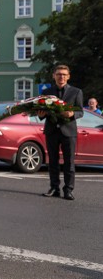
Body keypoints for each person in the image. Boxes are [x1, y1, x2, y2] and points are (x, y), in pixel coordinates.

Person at [40, 65, 83, 201]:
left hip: (68, 131)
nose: (61, 77)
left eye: (64, 74)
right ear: (54, 76)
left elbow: (80, 111)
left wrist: (71, 114)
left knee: (69, 162)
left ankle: (68, 190)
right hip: (52, 131)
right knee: (52, 161)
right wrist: (41, 114)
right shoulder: (47, 92)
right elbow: (41, 112)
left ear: (68, 76)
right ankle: (54, 188)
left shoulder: (76, 92)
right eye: (59, 74)